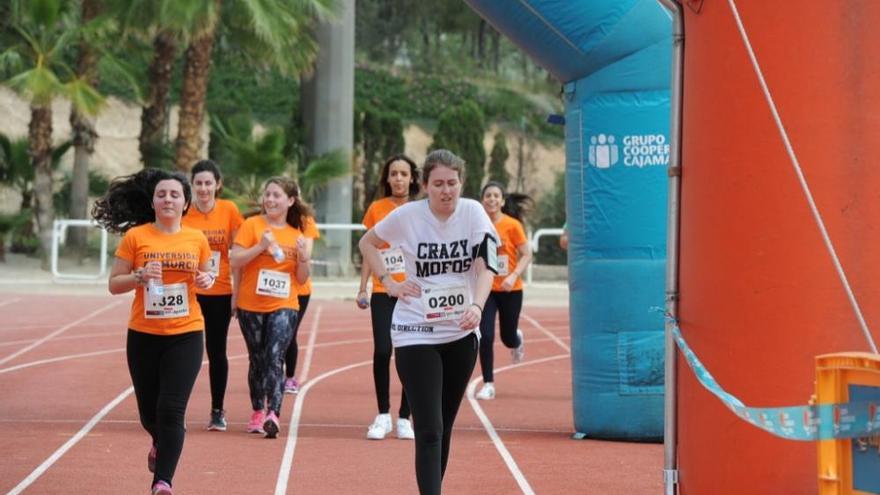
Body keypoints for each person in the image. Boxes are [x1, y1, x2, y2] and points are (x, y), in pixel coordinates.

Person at [359, 149, 498, 495]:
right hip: (414, 331)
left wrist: (478, 307)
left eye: (452, 183)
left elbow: (486, 267)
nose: (446, 191)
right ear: (425, 185)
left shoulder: (474, 213)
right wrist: (390, 282)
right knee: (429, 428)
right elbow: (367, 243)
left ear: (462, 183)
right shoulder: (407, 216)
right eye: (438, 184)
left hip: (461, 332)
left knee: (445, 426)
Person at [93, 168, 215, 495]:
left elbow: (207, 275)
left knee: (171, 410)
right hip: (144, 335)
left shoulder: (196, 239)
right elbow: (113, 285)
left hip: (186, 333)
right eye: (162, 194)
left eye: (175, 195)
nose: (168, 199)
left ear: (185, 203)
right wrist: (139, 277)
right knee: (149, 414)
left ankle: (163, 482)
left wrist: (207, 280)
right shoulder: (137, 237)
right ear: (153, 201)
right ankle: (158, 440)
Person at [230, 177, 310, 439]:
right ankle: (256, 409)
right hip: (251, 304)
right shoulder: (251, 225)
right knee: (257, 359)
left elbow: (301, 278)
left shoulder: (297, 235)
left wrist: (303, 258)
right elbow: (236, 260)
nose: (271, 200)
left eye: (277, 195)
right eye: (268, 195)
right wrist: (261, 246)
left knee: (275, 357)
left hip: (284, 304)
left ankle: (273, 413)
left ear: (290, 201)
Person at [357, 154, 419, 440]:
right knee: (383, 350)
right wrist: (362, 287)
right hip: (383, 288)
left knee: (411, 351)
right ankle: (383, 414)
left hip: (413, 291)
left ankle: (406, 417)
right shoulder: (376, 208)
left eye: (403, 174)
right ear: (387, 178)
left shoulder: (421, 208)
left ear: (412, 178)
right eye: (393, 173)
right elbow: (369, 250)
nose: (398, 179)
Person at [181, 160, 243, 431]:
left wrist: (236, 295)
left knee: (217, 352)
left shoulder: (229, 210)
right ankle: (175, 409)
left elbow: (239, 252)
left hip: (219, 291)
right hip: (188, 291)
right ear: (192, 186)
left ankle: (217, 410)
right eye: (198, 184)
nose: (203, 189)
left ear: (218, 184)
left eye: (208, 183)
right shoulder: (184, 212)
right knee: (182, 352)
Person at [474, 181, 532, 400]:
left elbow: (526, 253)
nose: (491, 199)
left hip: (510, 289)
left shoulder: (512, 225)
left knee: (507, 337)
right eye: (488, 195)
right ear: (482, 200)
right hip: (485, 289)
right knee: (485, 335)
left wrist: (513, 275)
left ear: (502, 200)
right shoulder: (476, 225)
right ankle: (488, 383)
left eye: (496, 196)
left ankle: (516, 339)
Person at [282, 212, 318, 395]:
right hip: (275, 288)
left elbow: (307, 254)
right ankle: (272, 374)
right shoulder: (265, 222)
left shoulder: (305, 221)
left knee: (289, 333)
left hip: (299, 289)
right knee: (273, 335)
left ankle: (289, 377)